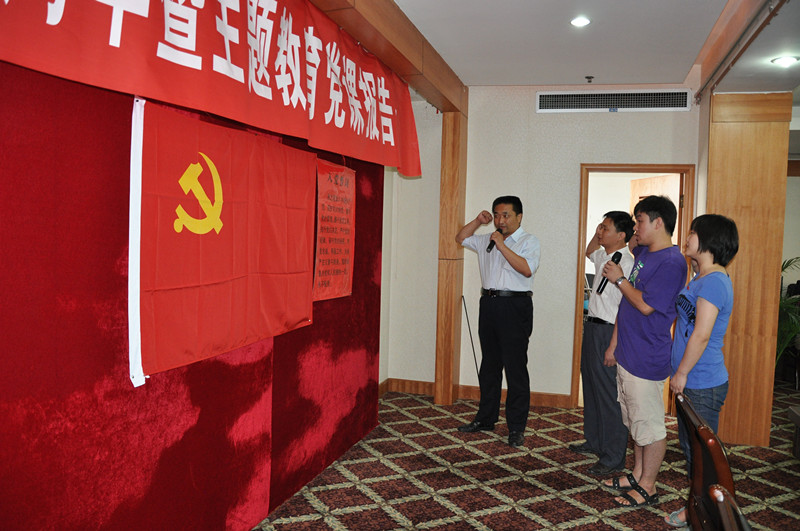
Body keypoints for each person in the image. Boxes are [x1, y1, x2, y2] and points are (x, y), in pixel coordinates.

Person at [600, 195, 688, 508]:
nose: (635, 227)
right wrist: (615, 344)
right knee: (635, 423)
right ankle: (637, 474)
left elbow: (646, 305)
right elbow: (628, 304)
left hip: (647, 355)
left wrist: (620, 279)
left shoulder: (672, 262)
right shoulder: (646, 252)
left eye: (639, 221)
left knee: (650, 428)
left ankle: (648, 486)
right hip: (629, 350)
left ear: (658, 222)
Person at [663, 214, 739, 528]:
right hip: (694, 380)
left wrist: (681, 373)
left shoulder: (715, 282)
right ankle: (698, 507)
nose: (687, 236)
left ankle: (707, 513)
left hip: (702, 381)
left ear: (709, 240)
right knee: (691, 451)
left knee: (704, 458)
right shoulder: (702, 277)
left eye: (693, 232)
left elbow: (701, 334)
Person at [455, 196, 540, 447]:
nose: (500, 220)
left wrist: (502, 245)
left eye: (506, 215)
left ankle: (516, 427)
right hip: (489, 304)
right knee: (489, 365)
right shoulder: (487, 239)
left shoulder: (528, 241)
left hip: (515, 306)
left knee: (515, 368)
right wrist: (477, 221)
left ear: (519, 217)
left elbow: (526, 269)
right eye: (496, 215)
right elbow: (461, 238)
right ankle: (485, 418)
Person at [570, 211, 635, 475]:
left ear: (621, 235)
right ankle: (594, 441)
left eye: (606, 228)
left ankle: (613, 456)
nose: (600, 231)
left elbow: (626, 310)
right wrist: (597, 232)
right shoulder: (604, 257)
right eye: (600, 227)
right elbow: (589, 251)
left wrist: (613, 346)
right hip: (592, 327)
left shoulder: (627, 264)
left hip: (610, 332)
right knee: (591, 387)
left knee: (610, 395)